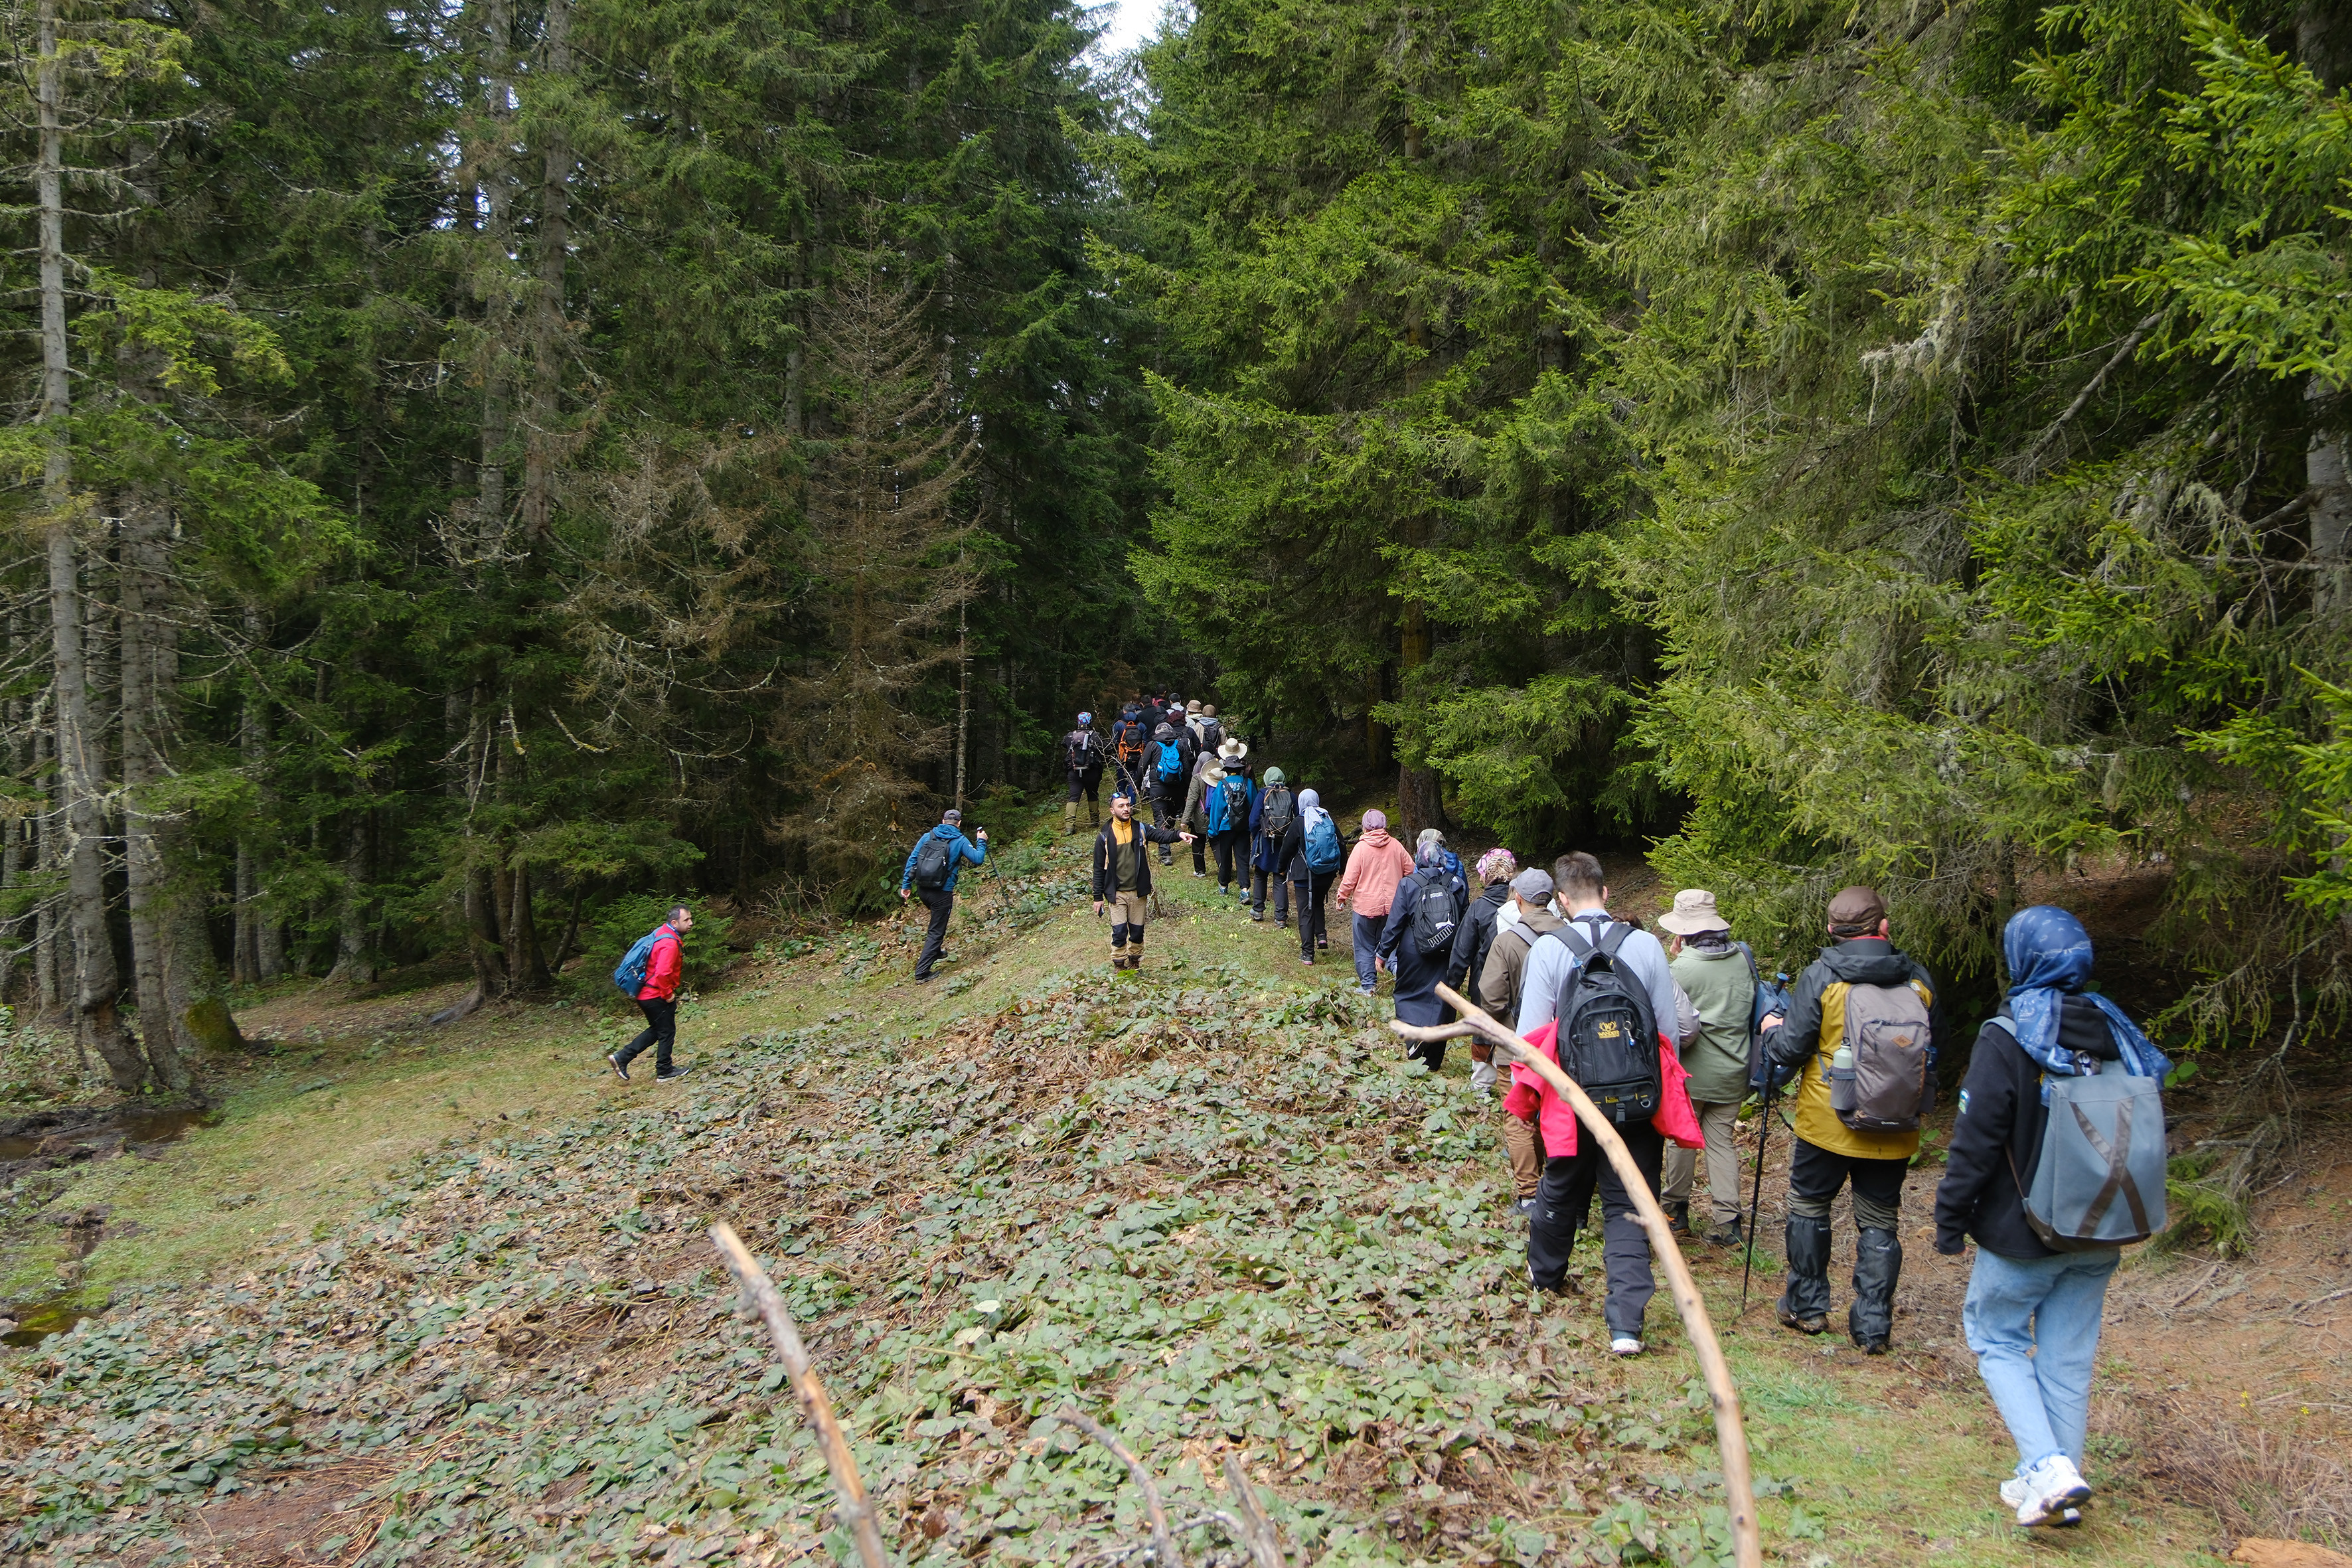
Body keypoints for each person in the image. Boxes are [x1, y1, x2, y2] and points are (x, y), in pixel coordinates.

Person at [1933, 906, 2169, 1528]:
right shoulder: (2119, 1031)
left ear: (2021, 959)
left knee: (1996, 1338)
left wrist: (1949, 1219)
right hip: (2104, 1227)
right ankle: (2055, 1485)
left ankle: (2046, 1466)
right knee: (2066, 1360)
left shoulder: (2008, 1036)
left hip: (2023, 1232)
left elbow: (1976, 1140)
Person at [1512, 851, 1696, 1355]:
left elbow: (1530, 1038)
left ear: (1564, 900)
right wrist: (1657, 1096)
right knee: (1630, 1201)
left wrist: (1530, 1099)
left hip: (1572, 1101)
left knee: (1560, 1187)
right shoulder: (1645, 947)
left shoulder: (1549, 950)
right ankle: (1625, 1326)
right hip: (1635, 1100)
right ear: (1606, 892)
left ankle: (1544, 1277)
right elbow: (1666, 1034)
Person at [1758, 884, 1939, 1352]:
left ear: (1830, 931)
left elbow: (1790, 1050)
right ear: (1882, 926)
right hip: (1895, 1121)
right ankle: (1873, 1326)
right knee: (1880, 1217)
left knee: (1809, 1204)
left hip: (1828, 1121)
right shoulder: (1917, 980)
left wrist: (1770, 1031)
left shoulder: (1821, 977)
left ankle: (1807, 1307)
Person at [1658, 889, 1756, 1247]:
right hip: (1735, 1070)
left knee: (1682, 1140)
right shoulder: (1742, 959)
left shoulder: (1683, 968)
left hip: (1694, 1074)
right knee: (1721, 1143)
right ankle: (1729, 1221)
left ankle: (1675, 1210)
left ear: (1684, 931)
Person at [1478, 867, 1565, 1212]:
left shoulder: (1508, 941)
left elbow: (1491, 998)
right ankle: (1558, 1189)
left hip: (1515, 1047)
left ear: (1518, 899)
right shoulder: (1571, 937)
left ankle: (1529, 1195)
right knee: (1555, 1114)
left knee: (1519, 1118)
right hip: (1560, 1047)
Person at [1381, 832, 1464, 1063]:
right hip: (1446, 948)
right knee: (1442, 998)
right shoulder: (1456, 884)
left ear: (1418, 858)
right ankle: (1435, 1057)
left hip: (1413, 948)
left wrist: (1382, 953)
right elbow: (1464, 918)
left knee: (1407, 993)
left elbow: (1395, 923)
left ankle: (1414, 1040)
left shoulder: (1409, 884)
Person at [1092, 788, 1195, 972]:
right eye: (1121, 806)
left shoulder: (1140, 829)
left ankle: (1135, 960)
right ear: (1112, 811)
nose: (1126, 809)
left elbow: (1160, 835)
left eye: (1128, 805)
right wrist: (1097, 897)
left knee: (1137, 931)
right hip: (1116, 893)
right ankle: (1119, 963)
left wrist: (1178, 835)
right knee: (1120, 931)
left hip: (1138, 891)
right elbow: (1099, 868)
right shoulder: (1104, 836)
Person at [899, 808, 988, 982]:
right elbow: (978, 859)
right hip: (942, 892)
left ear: (943, 821)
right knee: (936, 931)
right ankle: (922, 973)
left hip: (923, 890)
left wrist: (906, 885)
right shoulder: (960, 840)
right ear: (959, 823)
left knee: (936, 923)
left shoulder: (928, 836)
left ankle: (936, 951)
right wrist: (982, 841)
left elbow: (913, 859)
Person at [608, 905, 695, 1082]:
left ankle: (622, 1058)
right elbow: (663, 973)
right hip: (655, 995)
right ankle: (664, 1070)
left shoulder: (662, 932)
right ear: (674, 922)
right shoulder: (669, 943)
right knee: (667, 1031)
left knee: (658, 1030)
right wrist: (668, 994)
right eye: (686, 920)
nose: (691, 923)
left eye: (690, 919)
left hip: (646, 994)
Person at [1335, 809, 1413, 994]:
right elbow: (1411, 870)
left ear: (1364, 828)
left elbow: (1349, 878)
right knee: (1391, 943)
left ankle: (1369, 986)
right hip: (1394, 907)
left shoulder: (1360, 849)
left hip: (1365, 908)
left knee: (1364, 946)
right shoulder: (1396, 845)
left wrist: (1342, 897)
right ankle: (1400, 975)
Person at [1274, 787, 1342, 963]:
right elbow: (1340, 843)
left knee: (1305, 911)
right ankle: (1321, 936)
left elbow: (1287, 848)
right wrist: (1342, 870)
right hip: (1326, 874)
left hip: (1305, 875)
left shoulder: (1299, 822)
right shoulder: (1328, 818)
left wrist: (1281, 868)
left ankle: (1307, 953)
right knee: (1317, 902)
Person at [1202, 740, 1255, 896]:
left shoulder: (1222, 785)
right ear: (1239, 770)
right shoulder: (1248, 783)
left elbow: (1217, 809)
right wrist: (1251, 826)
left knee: (1225, 857)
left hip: (1226, 827)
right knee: (1243, 858)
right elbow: (1252, 805)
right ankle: (1245, 889)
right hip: (1243, 827)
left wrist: (1213, 829)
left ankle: (1224, 886)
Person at [1247, 766, 1296, 923]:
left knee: (1261, 875)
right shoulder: (1291, 795)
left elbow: (1254, 820)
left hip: (1265, 842)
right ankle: (1281, 918)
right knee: (1280, 878)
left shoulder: (1263, 794)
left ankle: (1258, 910)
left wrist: (1257, 836)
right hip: (1284, 844)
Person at [1062, 712, 1104, 836]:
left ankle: (1069, 826)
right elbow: (1103, 748)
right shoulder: (1095, 736)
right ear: (1090, 721)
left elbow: (1064, 744)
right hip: (1092, 771)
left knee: (1073, 797)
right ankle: (1095, 821)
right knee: (1093, 794)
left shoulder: (1070, 736)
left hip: (1074, 772)